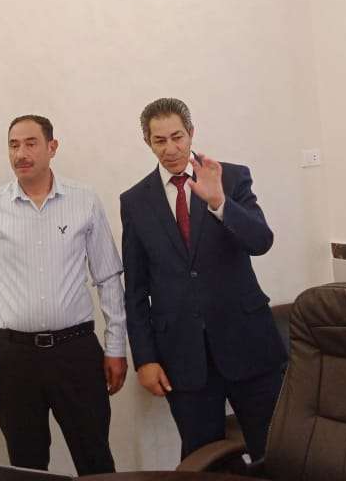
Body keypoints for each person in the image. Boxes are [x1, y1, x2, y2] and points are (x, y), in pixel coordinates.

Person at [120, 97, 285, 460]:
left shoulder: (231, 177)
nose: (170, 148)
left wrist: (220, 203)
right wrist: (145, 358)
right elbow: (135, 290)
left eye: (177, 137)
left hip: (248, 343)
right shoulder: (135, 201)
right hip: (183, 357)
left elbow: (261, 241)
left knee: (276, 452)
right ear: (147, 142)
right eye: (159, 140)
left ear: (191, 133)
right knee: (204, 460)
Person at [0, 114, 127, 475]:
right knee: (27, 465)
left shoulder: (84, 201)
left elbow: (109, 278)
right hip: (13, 358)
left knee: (96, 459)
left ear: (52, 147)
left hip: (76, 352)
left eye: (30, 143)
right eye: (13, 145)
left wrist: (116, 347)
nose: (20, 153)